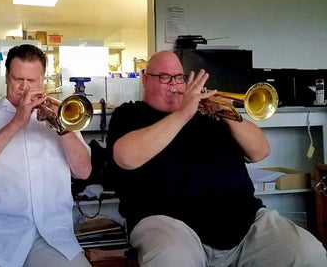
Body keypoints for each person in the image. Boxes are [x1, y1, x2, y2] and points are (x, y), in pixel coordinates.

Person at [106, 50, 327, 267]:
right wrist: (183, 113)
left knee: (309, 252)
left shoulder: (211, 116)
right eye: (164, 77)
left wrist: (227, 112)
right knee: (172, 260)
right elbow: (126, 157)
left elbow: (260, 151)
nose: (174, 83)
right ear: (145, 79)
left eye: (179, 77)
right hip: (169, 224)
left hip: (244, 224)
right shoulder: (130, 114)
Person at [0, 44, 92, 267]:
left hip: (51, 236)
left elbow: (83, 172)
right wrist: (16, 123)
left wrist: (62, 128)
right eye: (18, 79)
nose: (24, 87)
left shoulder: (62, 116)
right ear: (6, 77)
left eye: (32, 81)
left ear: (43, 80)